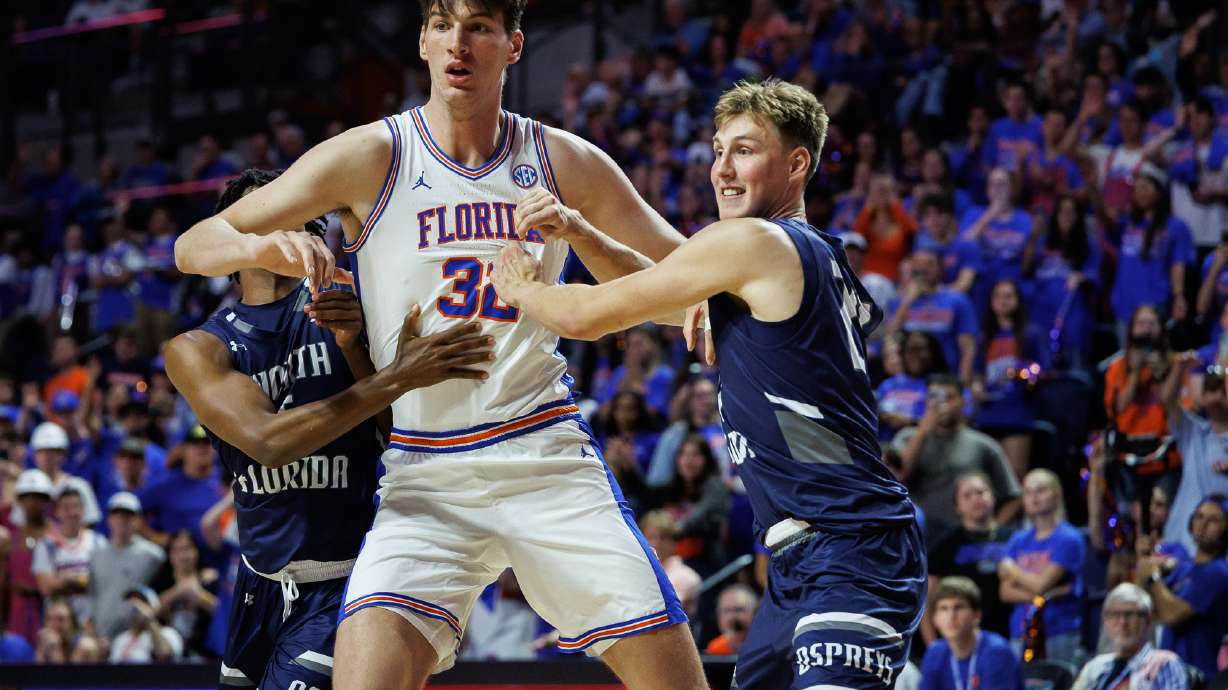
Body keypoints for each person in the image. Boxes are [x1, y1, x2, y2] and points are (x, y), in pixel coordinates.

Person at [173, 1, 707, 686]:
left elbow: (686, 279)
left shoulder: (562, 159)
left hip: (543, 457)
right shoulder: (373, 153)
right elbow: (195, 245)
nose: (460, 42)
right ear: (424, 41)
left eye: (480, 26)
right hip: (424, 474)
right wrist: (258, 243)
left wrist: (589, 238)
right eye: (444, 23)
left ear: (513, 46)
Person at [491, 79, 925, 689]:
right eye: (718, 150)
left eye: (744, 150)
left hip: (851, 545)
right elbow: (668, 297)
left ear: (797, 162)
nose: (721, 168)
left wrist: (521, 290)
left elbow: (587, 317)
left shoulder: (753, 242)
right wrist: (584, 235)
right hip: (802, 559)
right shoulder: (805, 256)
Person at [163, 168, 493, 690]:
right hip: (259, 581)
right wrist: (396, 376)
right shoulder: (198, 348)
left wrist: (356, 349)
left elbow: (402, 434)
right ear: (230, 242)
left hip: (352, 575)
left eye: (293, 213)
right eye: (262, 214)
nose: (281, 224)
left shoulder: (358, 304)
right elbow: (268, 444)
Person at [891, 374, 1022, 534]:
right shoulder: (907, 437)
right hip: (919, 532)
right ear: (926, 402)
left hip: (966, 536)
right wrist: (922, 431)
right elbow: (897, 476)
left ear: (962, 401)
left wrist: (993, 530)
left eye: (949, 397)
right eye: (934, 397)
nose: (941, 403)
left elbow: (1014, 496)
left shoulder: (984, 445)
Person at [998, 469, 1086, 666]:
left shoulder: (1068, 538)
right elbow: (1005, 592)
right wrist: (1047, 594)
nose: (1033, 497)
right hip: (1019, 631)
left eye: (1040, 491)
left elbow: (1040, 585)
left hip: (1058, 630)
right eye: (1028, 492)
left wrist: (1014, 571)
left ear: (1057, 494)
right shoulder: (1018, 540)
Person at [1138, 495, 1228, 677]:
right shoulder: (1183, 568)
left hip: (1197, 676)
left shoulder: (1218, 572)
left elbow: (1172, 615)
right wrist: (1144, 561)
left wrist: (1153, 577)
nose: (1202, 525)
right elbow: (1145, 606)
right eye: (1199, 516)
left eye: (1213, 520)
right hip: (1168, 672)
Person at [973, 279, 1048, 481]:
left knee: (1015, 475)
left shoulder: (1031, 334)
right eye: (997, 296)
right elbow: (977, 372)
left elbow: (1042, 369)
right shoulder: (984, 336)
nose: (1002, 301)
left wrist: (1022, 372)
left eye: (1008, 296)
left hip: (1017, 413)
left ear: (1018, 300)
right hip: (988, 413)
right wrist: (977, 386)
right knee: (988, 477)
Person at [926, 472, 1015, 642]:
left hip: (1010, 635)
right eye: (967, 495)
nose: (976, 499)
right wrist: (933, 645)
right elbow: (928, 601)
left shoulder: (1014, 539)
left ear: (993, 497)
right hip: (960, 640)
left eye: (981, 492)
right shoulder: (946, 545)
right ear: (957, 506)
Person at [1160, 353, 1228, 556]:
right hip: (1181, 542)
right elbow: (1167, 400)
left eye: (1223, 389)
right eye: (1211, 388)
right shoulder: (1194, 431)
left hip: (1220, 550)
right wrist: (1179, 369)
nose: (1217, 395)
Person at [1070, 583, 1189, 690]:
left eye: (1130, 614)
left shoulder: (1163, 664)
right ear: (1105, 622)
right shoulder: (1094, 667)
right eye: (1115, 614)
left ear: (1147, 620)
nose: (1122, 622)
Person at [84, 492, 165, 641]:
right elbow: (91, 596)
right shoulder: (96, 554)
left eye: (128, 515)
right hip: (101, 636)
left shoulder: (153, 555)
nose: (122, 520)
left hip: (135, 636)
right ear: (109, 519)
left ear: (138, 520)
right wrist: (93, 633)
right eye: (117, 514)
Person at [919, 576, 1021, 690]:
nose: (951, 616)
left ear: (977, 615)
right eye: (944, 608)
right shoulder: (934, 653)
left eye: (958, 607)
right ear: (934, 618)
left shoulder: (996, 651)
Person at [32, 487, 107, 624]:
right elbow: (46, 587)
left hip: (91, 619)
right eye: (66, 508)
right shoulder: (46, 544)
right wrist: (82, 581)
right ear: (57, 512)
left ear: (83, 510)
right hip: (57, 621)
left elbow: (104, 583)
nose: (72, 512)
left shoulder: (98, 542)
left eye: (76, 507)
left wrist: (65, 580)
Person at [110, 585, 184, 663]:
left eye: (141, 601)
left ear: (153, 606)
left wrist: (148, 618)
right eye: (129, 602)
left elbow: (165, 656)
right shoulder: (120, 639)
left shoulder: (168, 633)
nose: (134, 606)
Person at [705, 584, 758, 656]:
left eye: (738, 610)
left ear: (754, 613)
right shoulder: (715, 648)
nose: (731, 617)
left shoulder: (767, 646)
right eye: (726, 611)